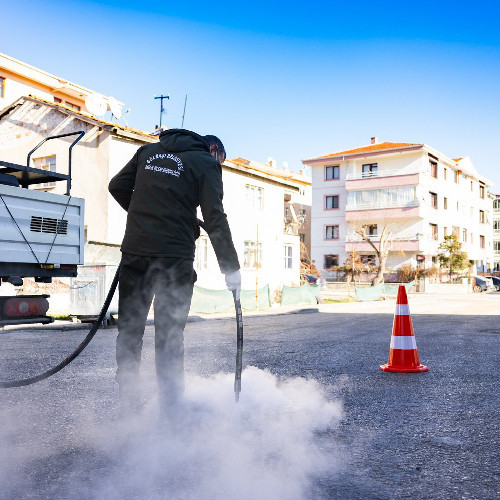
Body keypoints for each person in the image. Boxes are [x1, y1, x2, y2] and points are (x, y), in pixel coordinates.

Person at [108, 128, 240, 415]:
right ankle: (171, 409)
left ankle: (128, 403)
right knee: (168, 334)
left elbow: (116, 186)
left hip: (135, 252)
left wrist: (148, 216)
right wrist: (230, 268)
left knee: (130, 329)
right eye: (222, 162)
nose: (220, 167)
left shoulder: (148, 152)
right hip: (174, 257)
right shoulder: (206, 163)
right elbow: (214, 217)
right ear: (214, 151)